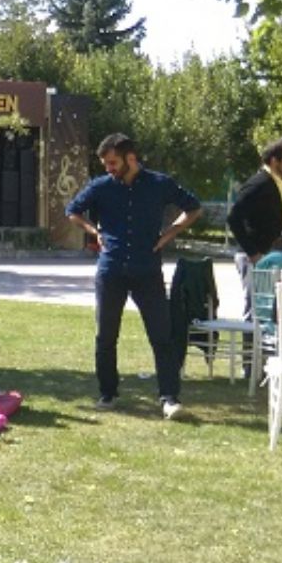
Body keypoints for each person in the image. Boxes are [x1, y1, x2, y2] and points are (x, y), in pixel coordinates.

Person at [65, 133, 203, 419]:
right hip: (111, 270)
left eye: (113, 162)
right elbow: (73, 211)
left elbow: (193, 208)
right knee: (106, 336)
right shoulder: (101, 186)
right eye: (105, 164)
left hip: (147, 270)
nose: (109, 169)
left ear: (130, 158)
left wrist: (169, 234)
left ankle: (169, 398)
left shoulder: (159, 183)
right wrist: (94, 232)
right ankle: (108, 394)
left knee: (161, 335)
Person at [226, 138, 282, 317]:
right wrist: (253, 253)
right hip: (256, 255)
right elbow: (234, 218)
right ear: (274, 160)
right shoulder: (259, 184)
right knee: (256, 309)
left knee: (271, 310)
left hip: (273, 255)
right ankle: (250, 337)